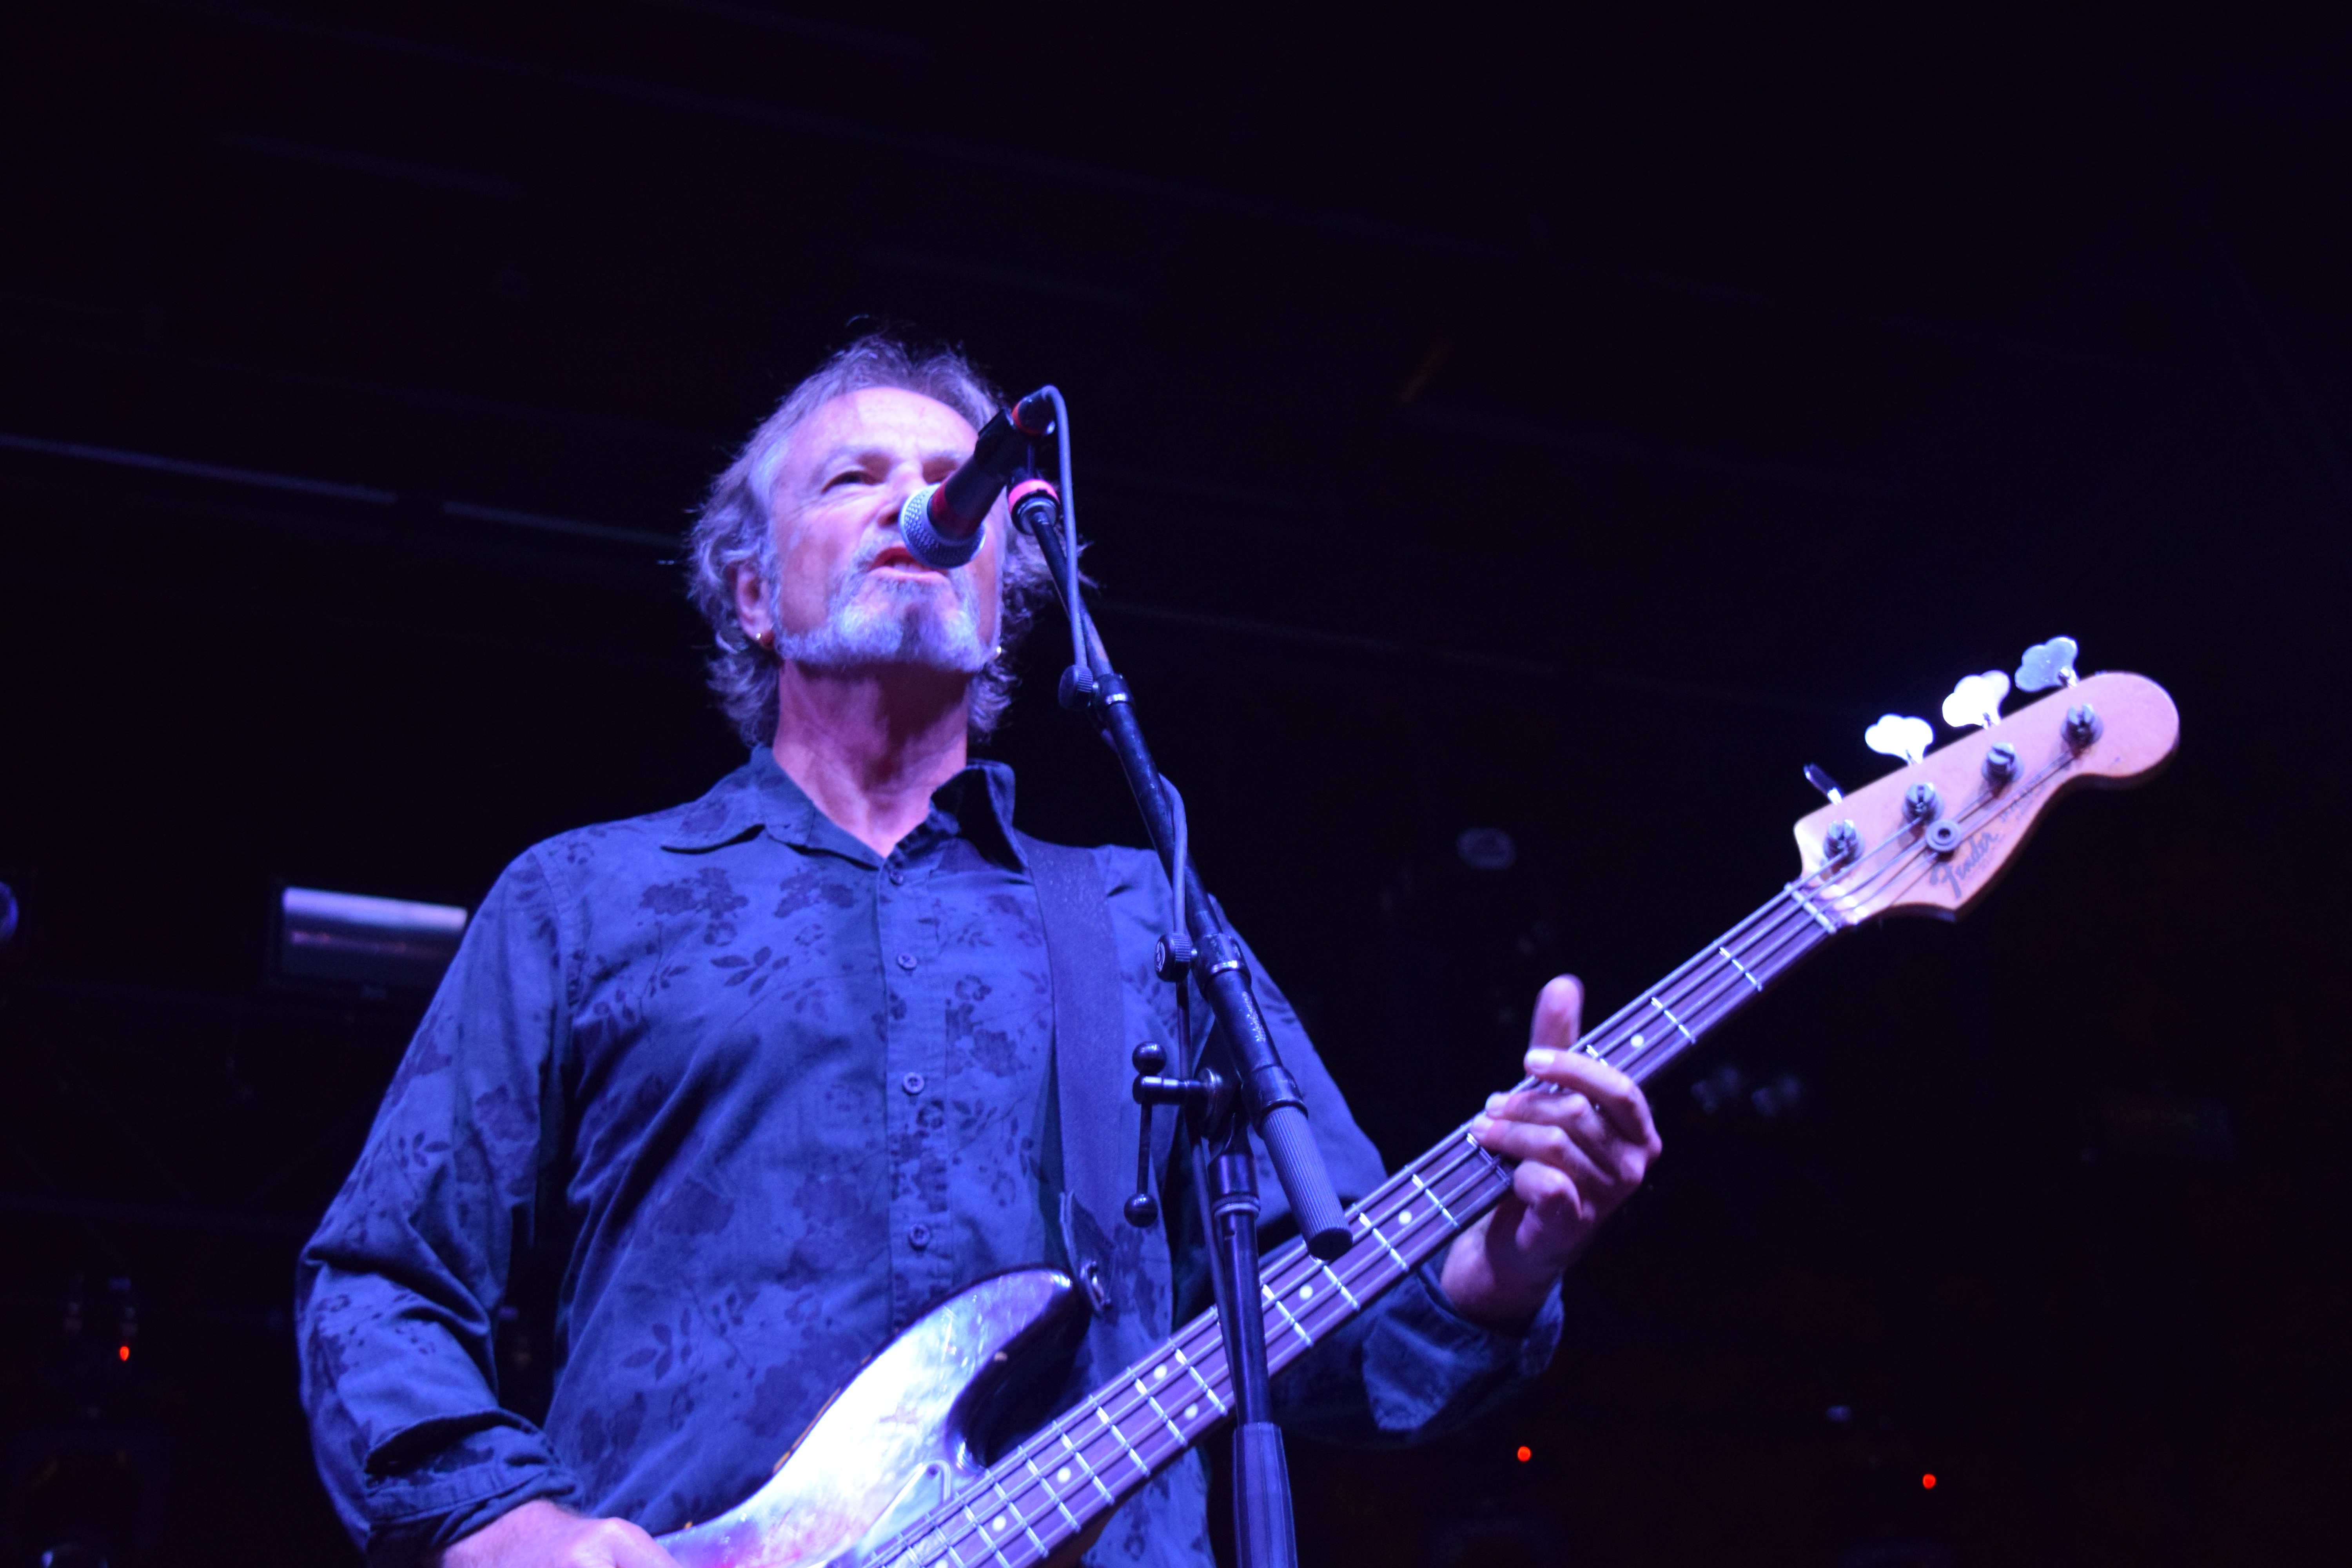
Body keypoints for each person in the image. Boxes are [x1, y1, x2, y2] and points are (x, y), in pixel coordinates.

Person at [295, 334, 1662, 1568]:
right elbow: (378, 1283)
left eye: (960, 485)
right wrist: (508, 1528)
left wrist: (1512, 1256)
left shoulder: (1144, 916)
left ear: (1006, 594)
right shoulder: (586, 898)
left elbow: (1327, 1328)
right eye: (854, 480)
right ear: (753, 594)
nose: (917, 503)